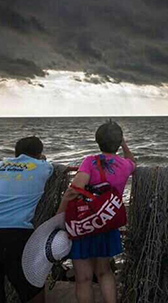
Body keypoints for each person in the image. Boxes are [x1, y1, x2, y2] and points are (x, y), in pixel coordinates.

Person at [0, 136, 54, 303]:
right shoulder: (43, 167)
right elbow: (47, 166)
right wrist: (41, 159)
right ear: (39, 153)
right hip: (14, 233)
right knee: (32, 288)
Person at [58, 121, 136, 303]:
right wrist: (124, 144)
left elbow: (74, 190)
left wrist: (59, 216)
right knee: (105, 272)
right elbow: (133, 162)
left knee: (83, 279)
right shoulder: (124, 165)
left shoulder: (90, 161)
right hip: (107, 222)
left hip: (84, 224)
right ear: (118, 142)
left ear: (97, 141)